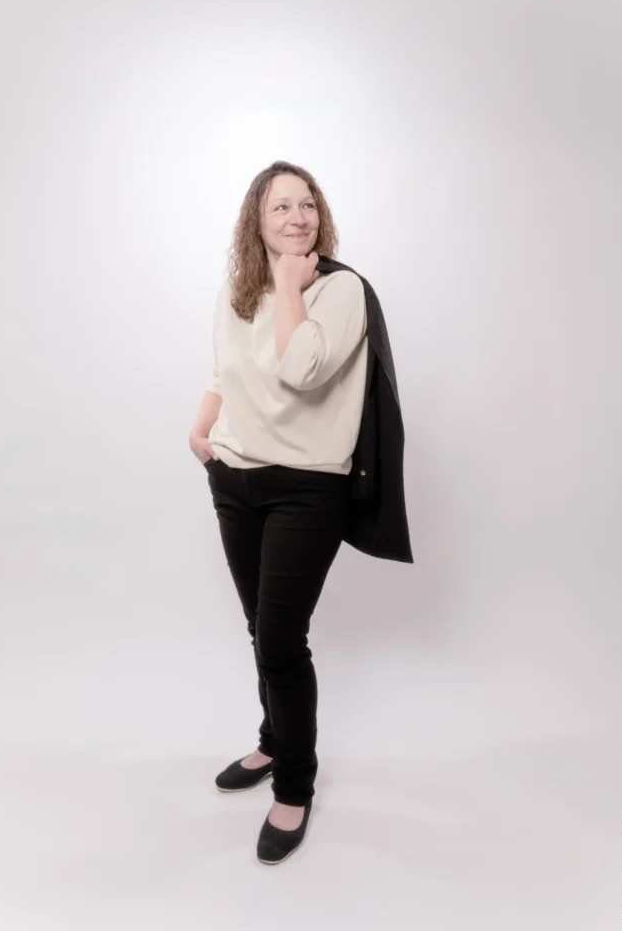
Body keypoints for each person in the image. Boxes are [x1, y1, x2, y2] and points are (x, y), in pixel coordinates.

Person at [189, 160, 368, 863]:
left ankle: (294, 785)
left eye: (307, 205)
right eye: (281, 207)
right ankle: (273, 742)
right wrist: (201, 431)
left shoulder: (340, 290)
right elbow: (222, 372)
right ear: (255, 222)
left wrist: (292, 285)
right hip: (234, 479)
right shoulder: (239, 293)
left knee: (281, 641)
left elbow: (303, 370)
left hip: (305, 488)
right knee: (258, 629)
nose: (297, 218)